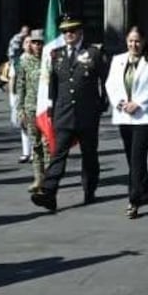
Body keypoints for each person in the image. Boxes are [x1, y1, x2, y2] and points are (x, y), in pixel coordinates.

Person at [31, 13, 110, 213]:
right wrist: (51, 108)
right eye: (64, 32)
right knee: (58, 154)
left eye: (72, 31)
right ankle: (49, 192)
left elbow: (106, 80)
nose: (68, 34)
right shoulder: (56, 54)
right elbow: (54, 85)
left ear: (80, 32)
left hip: (87, 114)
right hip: (63, 113)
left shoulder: (93, 53)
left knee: (89, 155)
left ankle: (89, 189)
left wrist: (103, 104)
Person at [106, 27, 148, 219]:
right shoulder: (118, 60)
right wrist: (120, 102)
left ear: (144, 41)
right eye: (131, 41)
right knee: (132, 157)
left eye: (137, 41)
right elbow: (111, 84)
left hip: (144, 116)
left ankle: (134, 199)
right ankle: (145, 189)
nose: (134, 45)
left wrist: (138, 103)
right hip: (124, 114)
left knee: (137, 156)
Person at [13, 30, 46, 192]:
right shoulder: (25, 62)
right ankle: (38, 178)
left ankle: (50, 178)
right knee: (36, 145)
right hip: (31, 107)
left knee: (48, 145)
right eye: (34, 42)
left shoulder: (50, 61)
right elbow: (20, 86)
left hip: (47, 109)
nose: (37, 45)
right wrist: (20, 109)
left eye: (40, 42)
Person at [8, 35, 33, 162]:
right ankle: (26, 152)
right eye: (26, 42)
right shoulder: (17, 61)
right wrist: (12, 96)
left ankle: (35, 151)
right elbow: (12, 79)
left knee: (34, 124)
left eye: (31, 42)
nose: (29, 44)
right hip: (21, 95)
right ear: (23, 45)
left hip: (34, 96)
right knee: (23, 124)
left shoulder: (39, 59)